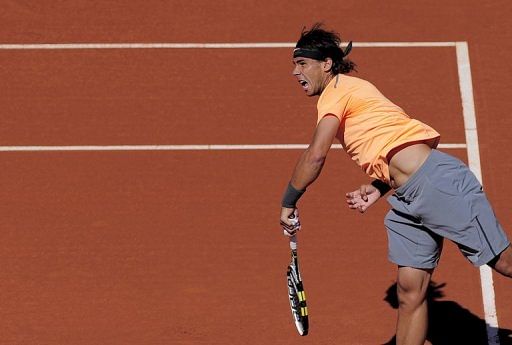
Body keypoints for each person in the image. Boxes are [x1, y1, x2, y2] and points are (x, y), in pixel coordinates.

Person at [279, 23, 512, 345]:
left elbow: (316, 155)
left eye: (302, 63)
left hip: (438, 183)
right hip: (407, 198)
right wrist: (379, 186)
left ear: (326, 64)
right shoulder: (349, 93)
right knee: (409, 291)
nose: (295, 72)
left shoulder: (338, 91)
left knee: (502, 261)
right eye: (294, 64)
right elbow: (395, 144)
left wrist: (289, 200)